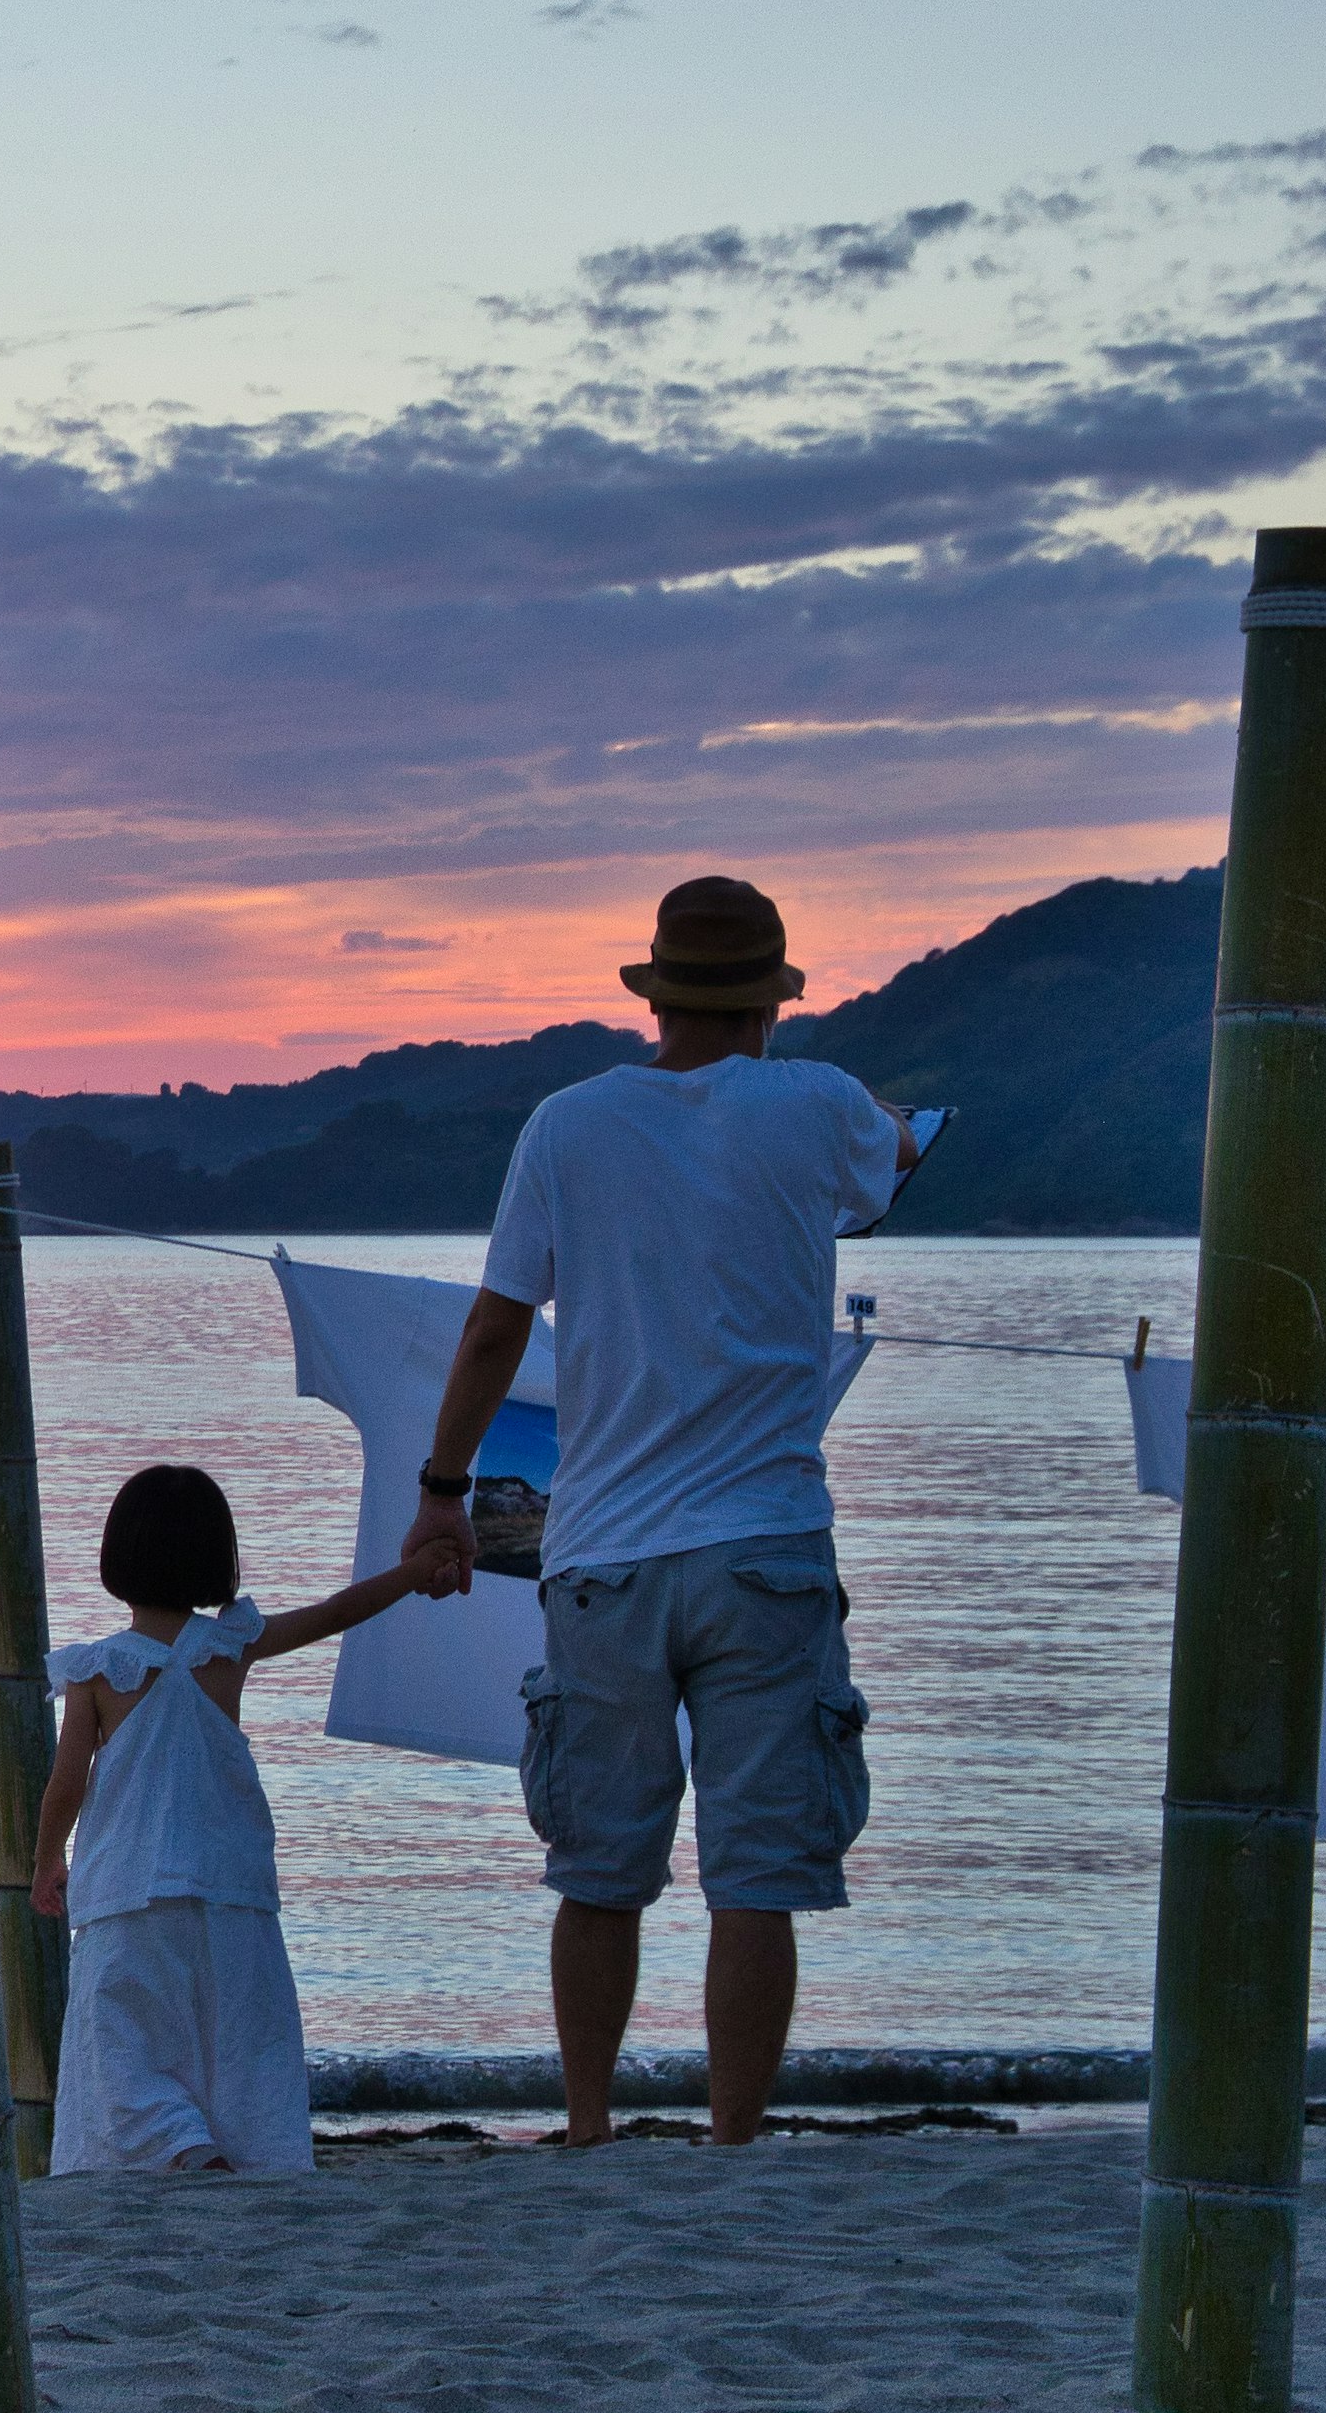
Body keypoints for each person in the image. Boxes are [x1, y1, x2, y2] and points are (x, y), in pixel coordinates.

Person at [399, 875, 921, 2148]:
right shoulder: (822, 1106)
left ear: (654, 992)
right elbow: (893, 1156)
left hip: (605, 1558)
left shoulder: (566, 1126)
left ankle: (588, 2127)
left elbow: (493, 1326)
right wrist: (904, 1124)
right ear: (771, 1002)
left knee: (598, 1874)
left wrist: (441, 1494)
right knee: (756, 1880)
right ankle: (733, 2137)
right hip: (766, 1552)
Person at [31, 1463, 465, 2173]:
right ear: (214, 1557)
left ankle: (181, 2144)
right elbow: (334, 1612)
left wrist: (47, 1860)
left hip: (129, 1894)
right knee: (238, 2038)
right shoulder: (227, 1647)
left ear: (118, 1556)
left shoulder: (98, 1671)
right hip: (230, 1888)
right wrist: (414, 1570)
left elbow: (66, 1783)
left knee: (123, 2046)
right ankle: (230, 2148)